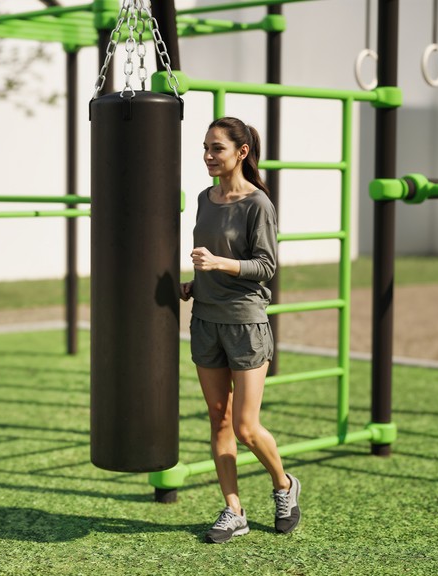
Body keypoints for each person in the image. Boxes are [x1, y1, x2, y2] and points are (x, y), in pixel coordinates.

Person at [179, 117, 301, 544]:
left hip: (245, 324)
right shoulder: (203, 198)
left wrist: (219, 264)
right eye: (206, 148)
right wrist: (197, 283)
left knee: (247, 428)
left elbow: (265, 267)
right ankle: (234, 511)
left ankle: (284, 486)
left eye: (218, 149)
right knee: (219, 420)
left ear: (241, 153)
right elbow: (215, 258)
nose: (208, 156)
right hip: (205, 321)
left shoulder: (258, 205)